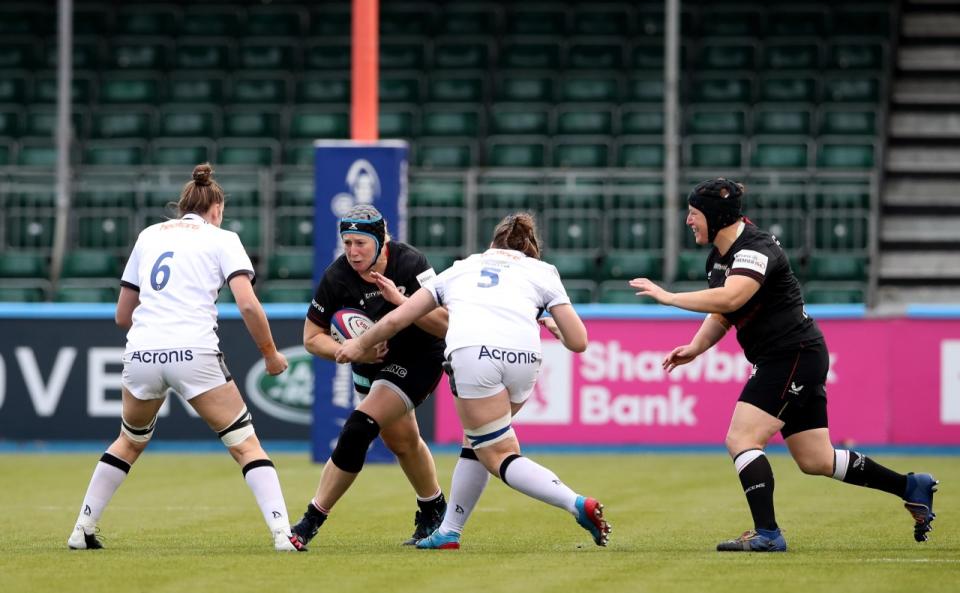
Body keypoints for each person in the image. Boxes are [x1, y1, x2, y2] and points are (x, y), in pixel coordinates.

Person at [629, 177, 938, 552]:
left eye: (693, 213)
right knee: (816, 459)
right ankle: (911, 486)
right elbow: (725, 313)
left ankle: (768, 534)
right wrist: (695, 347)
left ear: (714, 216)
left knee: (742, 439)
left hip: (791, 355)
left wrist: (669, 297)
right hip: (796, 356)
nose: (688, 221)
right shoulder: (720, 259)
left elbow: (732, 297)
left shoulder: (755, 248)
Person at [336, 212, 612, 550]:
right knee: (478, 441)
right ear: (528, 249)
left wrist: (359, 344)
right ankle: (449, 531)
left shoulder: (462, 267)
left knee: (497, 454)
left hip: (473, 355)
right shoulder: (543, 271)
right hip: (526, 359)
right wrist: (552, 324)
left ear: (491, 246)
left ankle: (575, 503)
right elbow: (578, 341)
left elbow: (398, 319)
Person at [67, 163, 304, 552]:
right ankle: (282, 533)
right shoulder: (222, 238)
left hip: (141, 350)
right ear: (216, 209)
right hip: (194, 350)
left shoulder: (148, 236)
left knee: (128, 440)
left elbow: (122, 315)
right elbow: (247, 304)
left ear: (182, 207)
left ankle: (82, 528)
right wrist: (271, 354)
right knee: (245, 444)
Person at [291, 204, 449, 548]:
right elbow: (311, 338)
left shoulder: (411, 263)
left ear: (380, 241)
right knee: (402, 442)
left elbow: (446, 324)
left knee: (358, 429)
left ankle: (310, 521)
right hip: (369, 363)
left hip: (419, 355)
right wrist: (350, 350)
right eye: (346, 242)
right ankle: (434, 508)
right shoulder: (336, 277)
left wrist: (402, 300)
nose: (352, 251)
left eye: (360, 243)